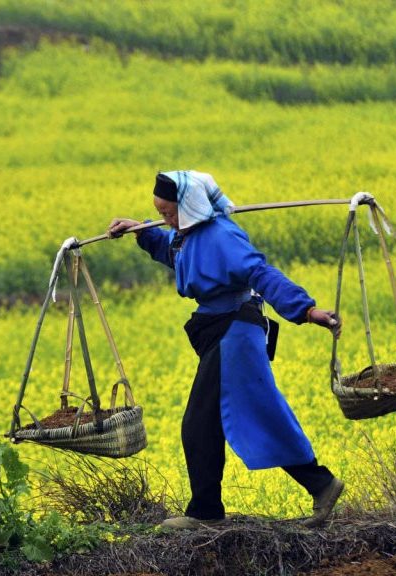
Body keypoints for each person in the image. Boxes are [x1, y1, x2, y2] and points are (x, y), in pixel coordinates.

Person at [107, 170, 344, 529]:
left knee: (199, 423)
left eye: (169, 212)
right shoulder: (188, 235)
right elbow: (174, 253)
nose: (165, 218)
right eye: (159, 211)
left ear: (188, 206)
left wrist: (307, 310)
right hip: (223, 332)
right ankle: (321, 484)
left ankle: (205, 512)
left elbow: (262, 274)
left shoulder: (221, 236)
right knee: (249, 414)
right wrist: (141, 231)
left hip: (235, 333)